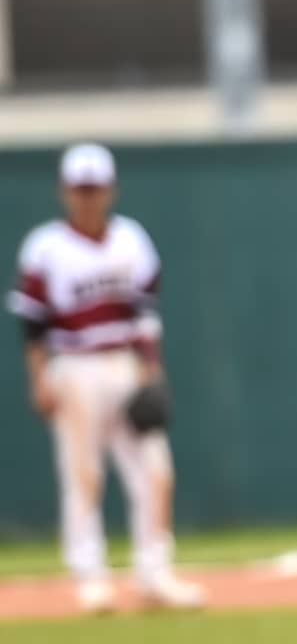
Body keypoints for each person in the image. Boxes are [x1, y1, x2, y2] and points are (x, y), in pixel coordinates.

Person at [6, 143, 205, 612]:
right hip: (74, 367)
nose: (88, 197)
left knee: (155, 471)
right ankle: (90, 579)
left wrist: (152, 368)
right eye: (80, 189)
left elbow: (143, 313)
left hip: (126, 363)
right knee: (83, 474)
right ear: (64, 192)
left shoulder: (130, 239)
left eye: (94, 188)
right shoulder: (45, 247)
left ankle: (154, 575)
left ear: (110, 190)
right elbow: (33, 324)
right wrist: (38, 379)